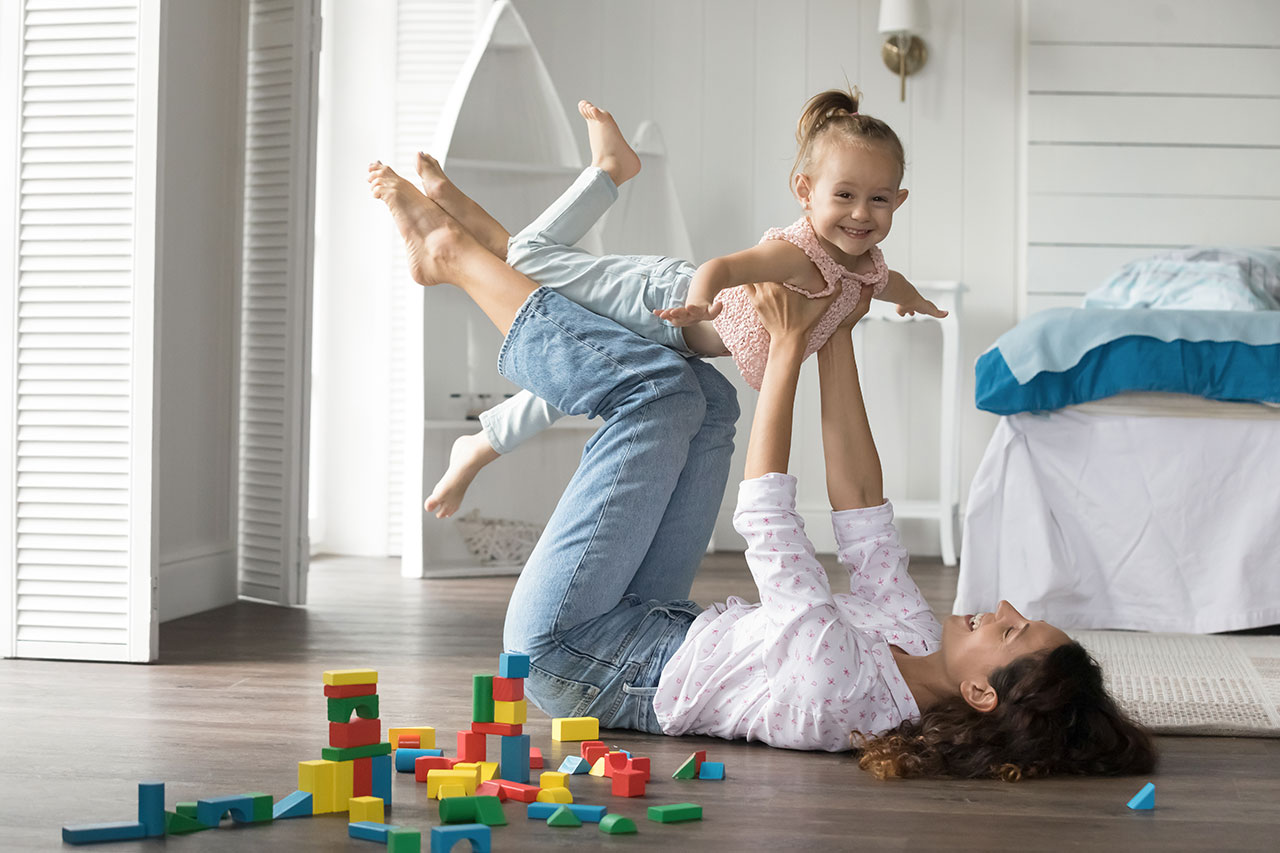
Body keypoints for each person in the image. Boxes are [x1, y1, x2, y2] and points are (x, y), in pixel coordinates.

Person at [367, 168, 1157, 779]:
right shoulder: (918, 642)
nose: (1007, 607)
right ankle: (484, 261)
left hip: (574, 654)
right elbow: (864, 514)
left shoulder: (842, 695)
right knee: (705, 401)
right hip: (658, 621)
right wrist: (838, 329)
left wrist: (785, 352)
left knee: (654, 396)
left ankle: (452, 258)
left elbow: (772, 530)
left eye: (1013, 630)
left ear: (984, 693)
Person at [393, 90, 945, 519]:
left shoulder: (864, 266)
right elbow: (722, 268)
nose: (861, 213)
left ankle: (481, 444)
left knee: (574, 377)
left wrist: (914, 299)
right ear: (806, 193)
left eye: (878, 199)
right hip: (660, 300)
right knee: (529, 260)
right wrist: (702, 302)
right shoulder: (794, 254)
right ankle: (605, 172)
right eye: (844, 195)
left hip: (671, 339)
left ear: (898, 200)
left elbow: (887, 282)